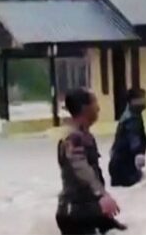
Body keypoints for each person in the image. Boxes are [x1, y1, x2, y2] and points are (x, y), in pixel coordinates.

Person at [56, 88, 125, 234]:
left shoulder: (83, 135)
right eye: (95, 102)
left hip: (84, 209)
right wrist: (101, 194)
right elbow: (80, 166)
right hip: (75, 212)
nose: (99, 108)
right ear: (84, 108)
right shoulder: (73, 137)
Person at [109, 88, 146, 187]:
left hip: (118, 167)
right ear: (132, 101)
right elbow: (133, 138)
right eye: (141, 98)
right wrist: (139, 153)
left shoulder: (130, 115)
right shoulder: (132, 118)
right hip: (125, 170)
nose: (145, 101)